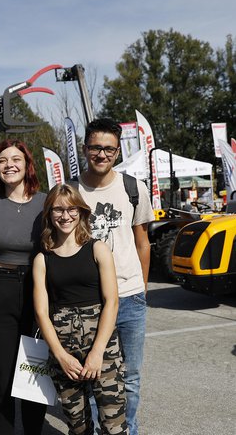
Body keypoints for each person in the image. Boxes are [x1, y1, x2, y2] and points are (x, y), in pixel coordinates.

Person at [74, 118, 154, 435]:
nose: (102, 154)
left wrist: (141, 289)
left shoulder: (134, 189)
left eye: (109, 148)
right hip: (89, 300)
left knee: (130, 376)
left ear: (117, 152)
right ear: (86, 149)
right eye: (96, 147)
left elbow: (142, 242)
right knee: (94, 374)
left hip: (130, 298)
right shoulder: (71, 191)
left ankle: (127, 429)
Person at [32, 184, 127, 435]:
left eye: (71, 209)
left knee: (114, 425)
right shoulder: (43, 259)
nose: (65, 215)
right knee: (77, 426)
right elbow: (41, 312)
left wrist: (97, 353)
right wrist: (61, 356)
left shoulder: (97, 249)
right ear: (49, 214)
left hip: (103, 348)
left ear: (81, 212)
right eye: (58, 210)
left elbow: (111, 302)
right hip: (64, 351)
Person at [0, 139, 48, 435]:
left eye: (16, 159)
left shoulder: (46, 201)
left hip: (37, 291)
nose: (9, 165)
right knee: (0, 376)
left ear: (28, 164)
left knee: (34, 373)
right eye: (2, 161)